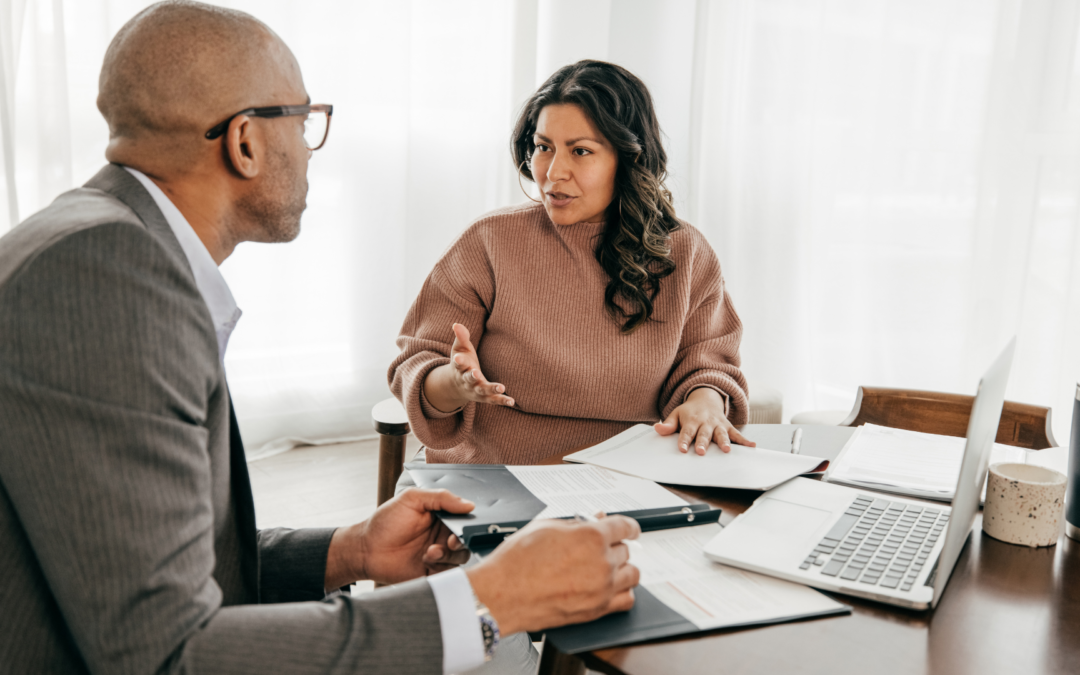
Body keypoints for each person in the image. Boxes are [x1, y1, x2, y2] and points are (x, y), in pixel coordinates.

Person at [0, 4, 640, 674]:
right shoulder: (107, 283)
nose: (311, 148)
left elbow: (145, 562)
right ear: (245, 141)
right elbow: (167, 653)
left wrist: (352, 548)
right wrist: (491, 602)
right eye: (303, 122)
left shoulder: (103, 246)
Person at [390, 60, 753, 466]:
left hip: (633, 476)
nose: (553, 172)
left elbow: (707, 362)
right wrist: (455, 386)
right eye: (544, 148)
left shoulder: (685, 253)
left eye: (580, 151)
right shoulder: (489, 241)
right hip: (497, 472)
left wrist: (704, 399)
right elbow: (418, 363)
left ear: (628, 158)